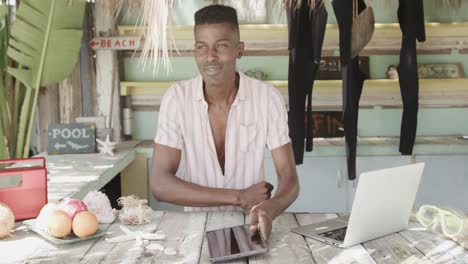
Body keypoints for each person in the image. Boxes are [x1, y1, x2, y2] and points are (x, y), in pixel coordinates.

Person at [151, 5, 299, 240]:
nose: (210, 56)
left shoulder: (267, 98)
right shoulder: (176, 99)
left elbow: (289, 178)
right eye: (202, 47)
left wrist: (269, 210)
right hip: (195, 232)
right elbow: (160, 185)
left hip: (250, 227)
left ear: (240, 50)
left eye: (221, 46)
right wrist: (238, 196)